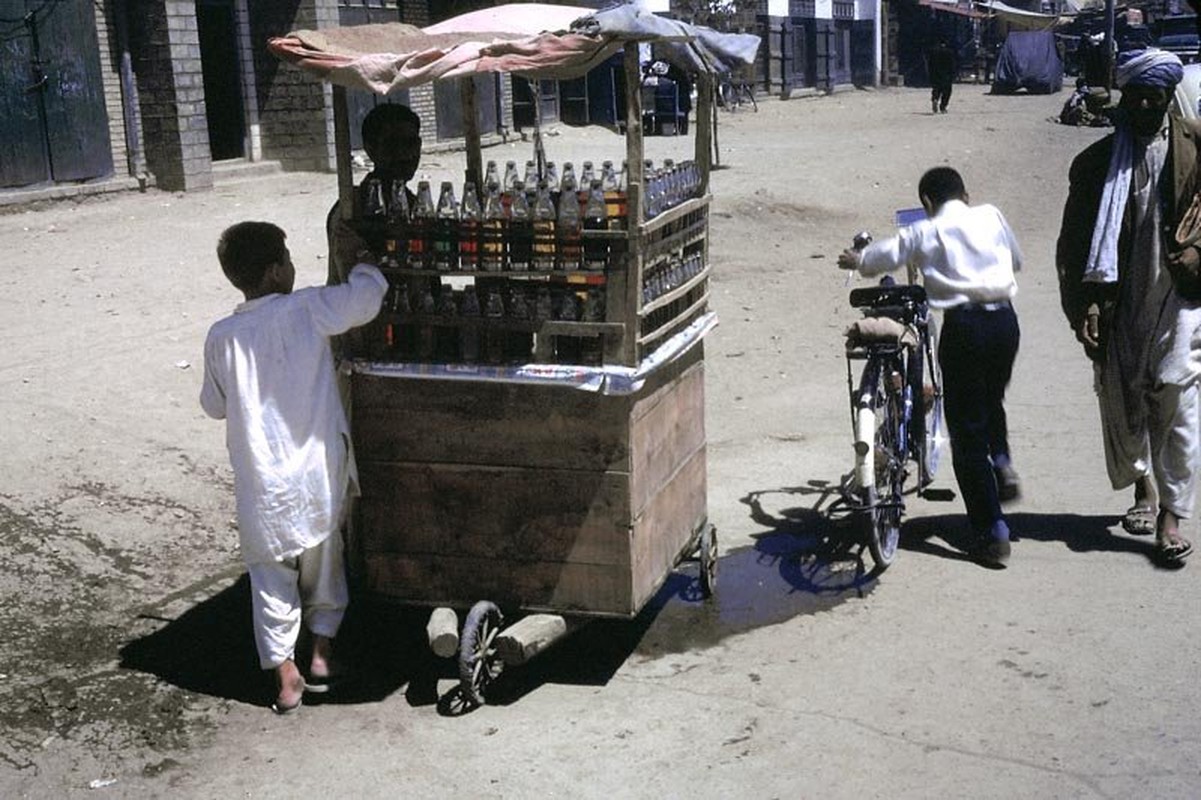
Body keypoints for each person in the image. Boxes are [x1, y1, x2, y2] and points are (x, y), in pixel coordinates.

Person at [200, 221, 388, 712]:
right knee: (325, 567)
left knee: (269, 577)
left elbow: (214, 406)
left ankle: (286, 676)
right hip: (313, 476)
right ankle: (323, 655)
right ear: (274, 271)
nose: (293, 265)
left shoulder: (221, 337)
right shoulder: (306, 308)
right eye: (287, 257)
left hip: (261, 483)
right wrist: (364, 259)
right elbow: (365, 299)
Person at [1055, 47, 1201, 567]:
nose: (1142, 104)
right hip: (1119, 301)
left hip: (1181, 297)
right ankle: (1143, 489)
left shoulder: (1194, 147)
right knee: (1125, 400)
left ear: (1168, 98)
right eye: (1134, 95)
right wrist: (1085, 306)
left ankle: (1172, 517)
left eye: (1153, 96)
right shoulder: (1095, 164)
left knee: (1178, 401)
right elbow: (1074, 245)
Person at [839, 167, 1022, 566]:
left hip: (966, 327)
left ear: (926, 203)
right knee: (992, 399)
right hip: (1005, 323)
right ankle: (1004, 461)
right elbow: (1017, 260)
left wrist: (859, 258)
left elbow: (888, 254)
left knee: (967, 432)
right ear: (966, 194)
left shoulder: (927, 230)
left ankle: (993, 533)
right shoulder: (990, 215)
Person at [327, 102, 422, 283]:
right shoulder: (351, 209)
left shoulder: (414, 204)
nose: (404, 155)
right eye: (392, 144)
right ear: (370, 149)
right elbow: (350, 279)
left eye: (410, 144)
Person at [926, 39, 957, 115]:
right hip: (946, 74)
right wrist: (953, 74)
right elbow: (952, 64)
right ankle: (943, 107)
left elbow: (929, 64)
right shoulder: (949, 52)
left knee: (936, 88)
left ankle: (935, 98)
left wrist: (930, 73)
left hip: (935, 73)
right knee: (947, 91)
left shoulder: (933, 51)